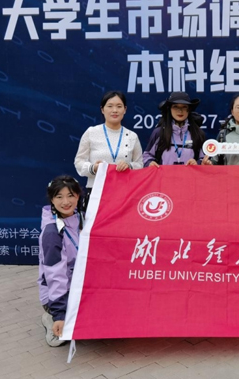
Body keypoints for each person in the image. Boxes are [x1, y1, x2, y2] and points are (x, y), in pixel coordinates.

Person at [74, 91, 143, 204]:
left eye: (119, 106)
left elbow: (140, 164)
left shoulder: (132, 136)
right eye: (110, 106)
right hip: (97, 192)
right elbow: (79, 161)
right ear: (102, 109)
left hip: (125, 193)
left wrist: (129, 166)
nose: (114, 110)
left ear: (125, 109)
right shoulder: (91, 132)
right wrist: (93, 168)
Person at [38, 175, 83, 347]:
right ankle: (51, 317)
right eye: (59, 197)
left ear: (78, 196)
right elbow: (55, 276)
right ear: (52, 199)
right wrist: (60, 314)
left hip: (79, 286)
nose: (66, 202)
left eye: (70, 195)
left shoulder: (81, 218)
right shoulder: (52, 233)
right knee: (69, 332)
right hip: (58, 296)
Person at [143, 92, 206, 167]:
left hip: (190, 175)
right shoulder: (159, 132)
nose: (180, 111)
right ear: (169, 109)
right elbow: (146, 156)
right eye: (175, 107)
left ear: (189, 110)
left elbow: (203, 159)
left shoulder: (197, 133)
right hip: (164, 175)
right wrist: (149, 163)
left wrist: (197, 163)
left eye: (184, 107)